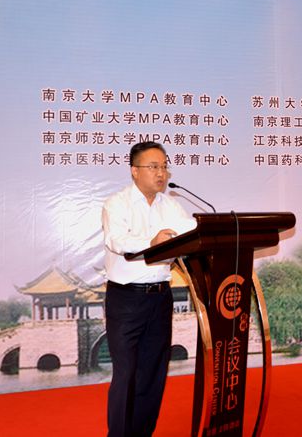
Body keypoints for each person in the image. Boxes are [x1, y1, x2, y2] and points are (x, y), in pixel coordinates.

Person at [102, 141, 197, 437]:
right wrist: (151, 242)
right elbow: (117, 240)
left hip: (160, 297)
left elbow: (191, 230)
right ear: (134, 171)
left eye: (164, 167)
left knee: (153, 374)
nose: (161, 173)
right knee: (126, 374)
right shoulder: (116, 204)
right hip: (126, 300)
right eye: (153, 166)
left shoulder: (170, 205)